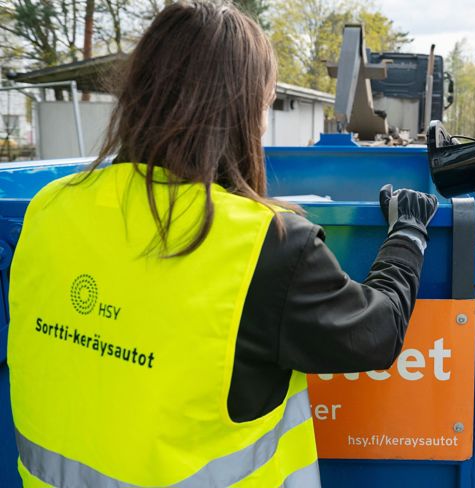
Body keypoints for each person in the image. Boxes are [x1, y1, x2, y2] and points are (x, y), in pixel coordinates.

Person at [7, 2, 437, 487]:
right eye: (265, 104)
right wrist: (408, 237)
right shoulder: (262, 246)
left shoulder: (48, 208)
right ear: (243, 109)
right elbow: (375, 333)